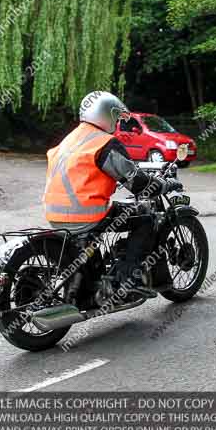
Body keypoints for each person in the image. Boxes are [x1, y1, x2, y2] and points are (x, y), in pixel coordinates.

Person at [44, 91, 181, 286]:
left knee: (118, 209)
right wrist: (165, 184)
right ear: (105, 115)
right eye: (116, 118)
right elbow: (139, 185)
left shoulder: (70, 140)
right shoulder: (103, 142)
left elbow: (82, 174)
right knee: (145, 218)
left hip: (54, 215)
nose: (117, 124)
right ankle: (128, 279)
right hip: (86, 215)